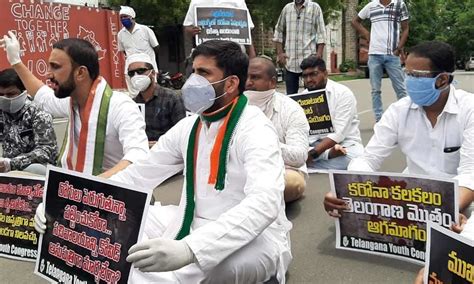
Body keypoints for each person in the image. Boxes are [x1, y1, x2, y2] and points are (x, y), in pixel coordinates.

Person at [40, 40, 292, 283]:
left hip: (255, 237)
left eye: (204, 73)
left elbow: (264, 203)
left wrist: (190, 249)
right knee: (114, 223)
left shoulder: (255, 129)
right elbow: (139, 173)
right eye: (193, 71)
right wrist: (68, 203)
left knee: (200, 269)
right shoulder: (190, 127)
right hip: (191, 219)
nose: (193, 81)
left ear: (231, 84)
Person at [324, 41, 474, 217]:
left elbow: (469, 174)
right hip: (413, 200)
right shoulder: (399, 111)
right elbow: (369, 158)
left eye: (416, 75)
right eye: (406, 73)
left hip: (462, 200)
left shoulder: (469, 110)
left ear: (442, 79)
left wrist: (445, 210)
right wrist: (347, 188)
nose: (408, 81)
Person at [1, 31, 149, 178]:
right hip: (75, 191)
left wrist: (94, 184)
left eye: (56, 67)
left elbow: (138, 156)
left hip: (113, 193)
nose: (48, 74)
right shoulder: (72, 103)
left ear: (80, 73)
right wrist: (16, 61)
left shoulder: (120, 106)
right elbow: (43, 96)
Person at [245, 56, 309, 202]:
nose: (248, 82)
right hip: (243, 169)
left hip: (282, 170)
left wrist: (261, 147)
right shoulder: (233, 106)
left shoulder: (291, 109)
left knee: (292, 183)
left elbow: (299, 156)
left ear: (272, 82)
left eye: (255, 77)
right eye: (246, 77)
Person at [301, 56, 363, 171]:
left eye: (313, 74)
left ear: (325, 74)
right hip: (314, 147)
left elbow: (338, 134)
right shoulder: (302, 97)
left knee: (354, 160)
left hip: (346, 145)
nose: (309, 79)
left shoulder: (343, 94)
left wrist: (312, 155)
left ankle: (307, 165)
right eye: (305, 76)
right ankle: (327, 155)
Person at [352, 0, 409, 122]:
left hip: (392, 55)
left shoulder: (399, 4)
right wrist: (366, 34)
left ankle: (406, 118)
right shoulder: (372, 6)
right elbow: (355, 21)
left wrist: (399, 48)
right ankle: (379, 120)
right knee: (375, 90)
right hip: (374, 54)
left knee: (400, 88)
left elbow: (405, 29)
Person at [0, 68, 57, 175]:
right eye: (1, 95)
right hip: (7, 168)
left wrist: (12, 163)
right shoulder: (1, 112)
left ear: (24, 92)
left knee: (34, 169)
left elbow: (46, 150)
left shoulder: (38, 111)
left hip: (36, 166)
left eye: (10, 94)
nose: (5, 98)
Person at [126, 53, 186, 148]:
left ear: (153, 73)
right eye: (131, 73)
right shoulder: (132, 104)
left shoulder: (172, 98)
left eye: (141, 71)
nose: (136, 76)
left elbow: (183, 133)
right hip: (142, 155)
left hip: (169, 155)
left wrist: (160, 144)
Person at [273, 0, 327, 95]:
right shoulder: (287, 8)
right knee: (291, 97)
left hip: (309, 61)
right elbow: (278, 30)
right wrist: (280, 53)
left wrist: (318, 55)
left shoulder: (314, 8)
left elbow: (321, 33)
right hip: (290, 62)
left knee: (312, 95)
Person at [183, 0, 256, 58]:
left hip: (234, 54)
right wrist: (192, 31)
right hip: (207, 55)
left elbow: (245, 29)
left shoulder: (238, 1)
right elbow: (187, 27)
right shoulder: (196, 1)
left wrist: (252, 55)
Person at [118, 6, 160, 96]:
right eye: (121, 17)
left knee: (151, 93)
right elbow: (123, 51)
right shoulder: (120, 34)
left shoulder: (145, 30)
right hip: (131, 70)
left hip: (147, 68)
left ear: (132, 17)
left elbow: (156, 47)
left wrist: (150, 61)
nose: (123, 19)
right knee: (134, 95)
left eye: (125, 16)